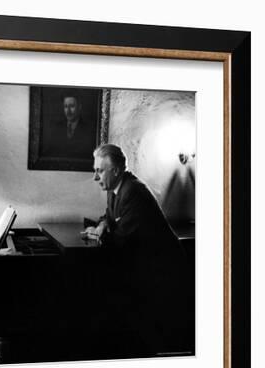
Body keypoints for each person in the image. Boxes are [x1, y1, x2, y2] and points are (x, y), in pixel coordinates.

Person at [84, 144, 192, 354]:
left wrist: (101, 233)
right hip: (144, 266)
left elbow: (121, 239)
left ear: (115, 170)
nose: (95, 177)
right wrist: (102, 225)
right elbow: (110, 216)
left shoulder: (133, 191)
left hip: (163, 272)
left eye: (99, 171)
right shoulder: (116, 187)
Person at [43, 92, 96, 157]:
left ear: (79, 107)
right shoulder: (57, 128)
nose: (68, 111)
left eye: (72, 106)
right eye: (65, 106)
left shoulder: (88, 130)